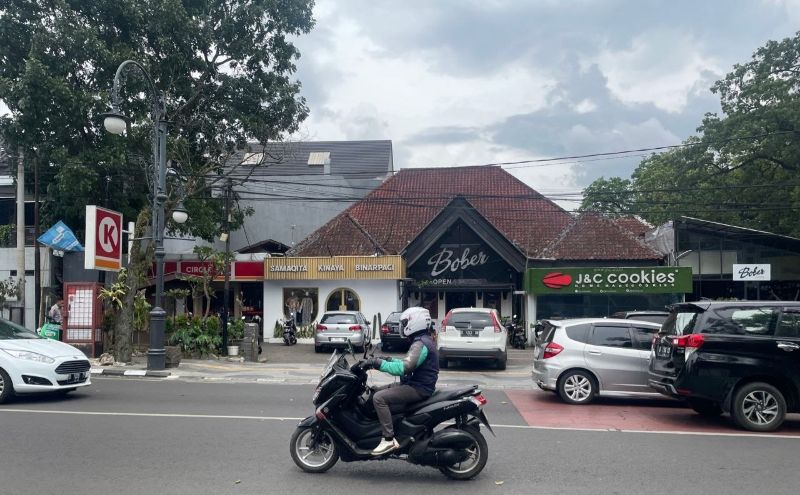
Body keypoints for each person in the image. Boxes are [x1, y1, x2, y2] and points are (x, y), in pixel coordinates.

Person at [359, 306, 439, 456]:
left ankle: (388, 438)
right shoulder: (422, 341)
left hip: (418, 388)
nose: (402, 326)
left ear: (414, 322)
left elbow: (404, 368)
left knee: (379, 398)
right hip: (415, 384)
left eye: (404, 323)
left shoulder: (421, 343)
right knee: (375, 390)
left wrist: (377, 364)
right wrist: (386, 359)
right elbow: (409, 362)